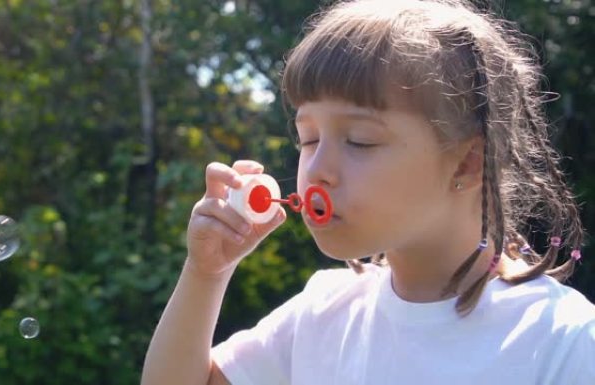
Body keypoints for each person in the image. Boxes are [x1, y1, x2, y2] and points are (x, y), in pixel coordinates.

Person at [141, 0, 595, 384]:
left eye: (359, 140)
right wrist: (207, 275)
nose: (317, 170)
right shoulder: (323, 313)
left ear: (467, 162)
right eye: (308, 139)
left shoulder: (562, 340)